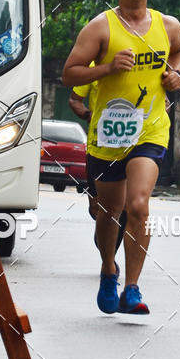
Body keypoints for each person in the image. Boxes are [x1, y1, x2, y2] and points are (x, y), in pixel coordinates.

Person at [62, 0, 180, 314]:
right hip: (108, 136)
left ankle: (132, 287)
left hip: (150, 130)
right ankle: (108, 270)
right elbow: (69, 75)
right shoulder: (100, 28)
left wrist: (175, 74)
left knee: (138, 205)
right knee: (108, 213)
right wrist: (107, 67)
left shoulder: (167, 25)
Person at [69, 78, 127, 250]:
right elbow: (74, 99)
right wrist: (89, 116)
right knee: (97, 207)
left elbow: (165, 102)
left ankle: (111, 253)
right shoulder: (94, 66)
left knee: (129, 205)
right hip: (99, 145)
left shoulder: (145, 63)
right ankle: (105, 230)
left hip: (134, 146)